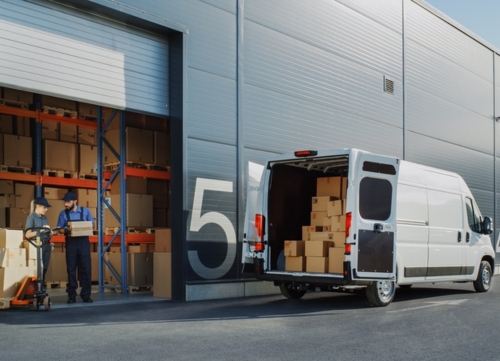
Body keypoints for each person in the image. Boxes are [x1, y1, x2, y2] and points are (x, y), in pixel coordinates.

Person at [57, 191, 95, 304]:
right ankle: (72, 295)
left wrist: (83, 227)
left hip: (83, 243)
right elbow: (59, 229)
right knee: (71, 270)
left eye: (68, 202)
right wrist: (66, 230)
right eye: (65, 202)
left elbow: (92, 225)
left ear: (75, 201)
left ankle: (86, 295)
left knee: (86, 269)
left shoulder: (85, 211)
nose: (66, 204)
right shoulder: (63, 213)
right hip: (71, 243)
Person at [25, 197, 53, 285]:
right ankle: (37, 286)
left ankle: (41, 285)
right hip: (37, 245)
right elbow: (28, 234)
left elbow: (46, 231)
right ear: (37, 206)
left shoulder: (44, 218)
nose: (46, 210)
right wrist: (40, 230)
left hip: (46, 244)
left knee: (45, 267)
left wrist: (50, 234)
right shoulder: (31, 218)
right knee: (38, 267)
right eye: (44, 207)